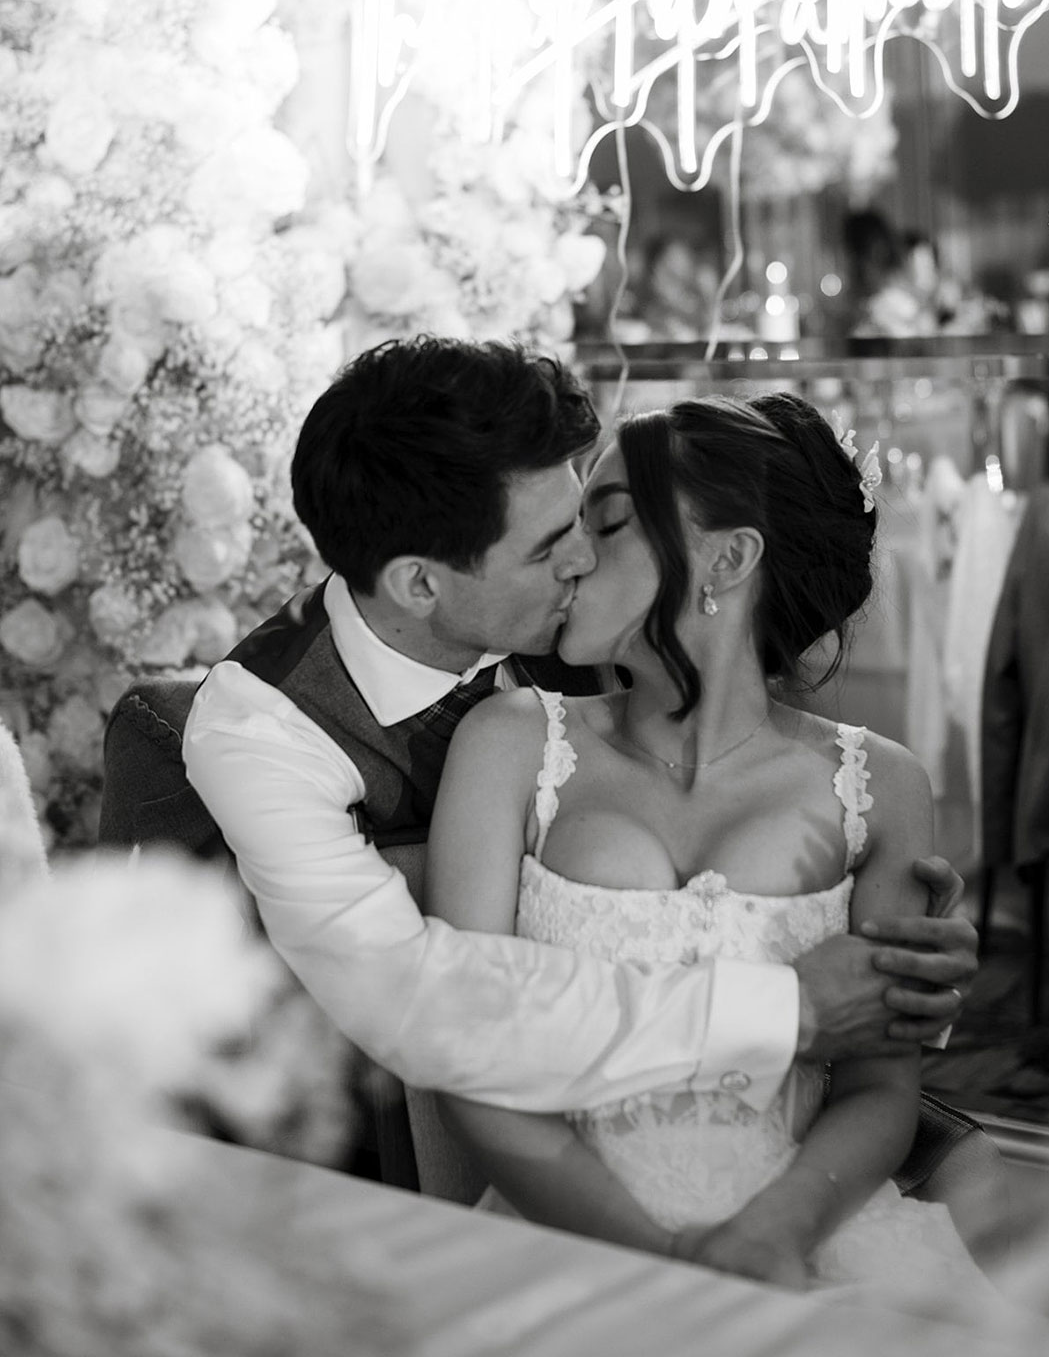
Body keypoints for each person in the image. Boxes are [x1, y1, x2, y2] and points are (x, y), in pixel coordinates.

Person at [183, 337, 976, 1122]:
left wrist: (899, 972)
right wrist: (787, 1007)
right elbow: (428, 1006)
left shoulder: (597, 633)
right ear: (420, 584)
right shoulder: (263, 732)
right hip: (352, 1134)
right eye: (549, 547)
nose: (581, 560)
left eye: (590, 519)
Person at [425, 392, 985, 1288]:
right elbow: (468, 1058)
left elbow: (881, 1090)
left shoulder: (881, 787)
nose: (572, 556)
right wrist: (666, 1263)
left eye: (608, 523)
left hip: (802, 1233)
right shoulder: (511, 743)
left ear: (728, 558)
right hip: (567, 1237)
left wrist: (769, 1234)